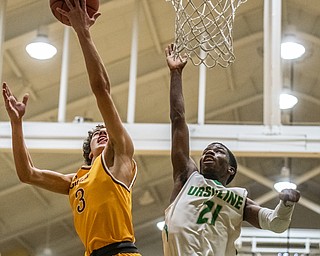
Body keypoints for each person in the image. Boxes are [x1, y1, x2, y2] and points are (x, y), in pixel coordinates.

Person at [2, 1, 141, 256]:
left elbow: (102, 90)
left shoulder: (120, 154)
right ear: (88, 151)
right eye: (97, 132)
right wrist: (16, 123)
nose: (103, 132)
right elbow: (27, 174)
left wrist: (82, 32)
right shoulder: (74, 182)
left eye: (106, 130)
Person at [162, 43, 301, 256]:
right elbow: (178, 119)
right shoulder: (187, 176)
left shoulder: (238, 199)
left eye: (218, 151)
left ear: (231, 170)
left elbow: (276, 224)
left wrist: (287, 203)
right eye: (207, 150)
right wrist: (175, 74)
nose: (209, 152)